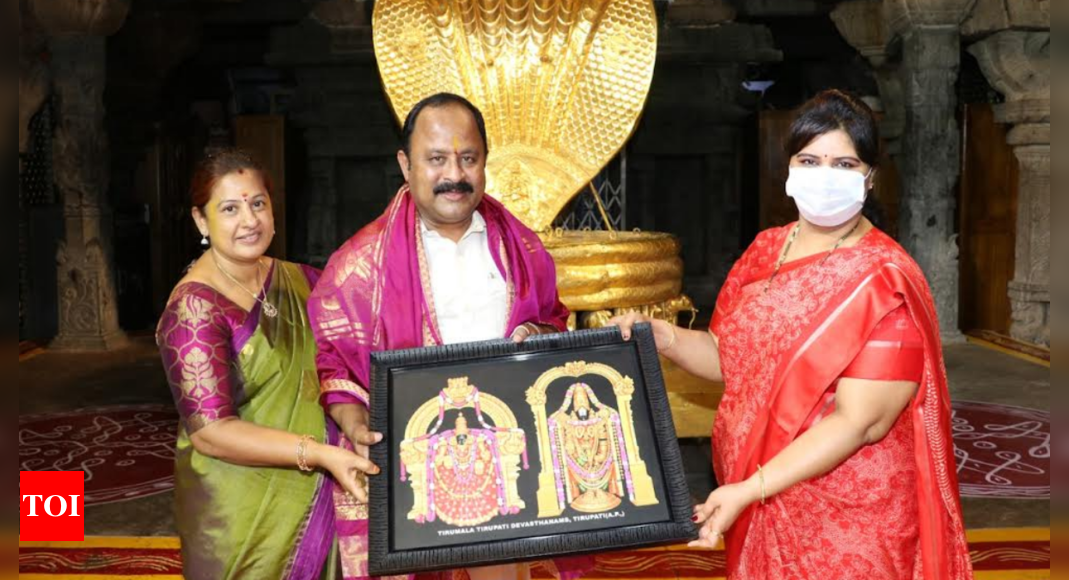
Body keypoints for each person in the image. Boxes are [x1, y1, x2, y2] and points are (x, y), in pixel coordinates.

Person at [612, 90, 973, 579]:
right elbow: (729, 357)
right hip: (758, 500)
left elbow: (859, 423)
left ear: (871, 177)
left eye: (844, 163)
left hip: (849, 521)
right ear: (789, 169)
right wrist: (665, 338)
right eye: (810, 160)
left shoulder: (884, 281)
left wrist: (749, 488)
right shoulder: (767, 250)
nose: (825, 175)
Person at [309, 93, 591, 580]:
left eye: (468, 158)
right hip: (408, 474)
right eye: (436, 159)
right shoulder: (358, 267)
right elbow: (335, 366)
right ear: (406, 164)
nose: (454, 175)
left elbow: (552, 322)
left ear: (485, 162)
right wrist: (355, 426)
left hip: (501, 469)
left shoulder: (523, 249)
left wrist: (534, 337)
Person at [156, 149, 372, 579]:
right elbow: (212, 433)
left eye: (258, 203)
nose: (250, 220)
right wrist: (320, 454)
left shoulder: (302, 281)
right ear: (201, 221)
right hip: (242, 511)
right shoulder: (194, 310)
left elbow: (351, 351)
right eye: (230, 208)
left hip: (317, 491)